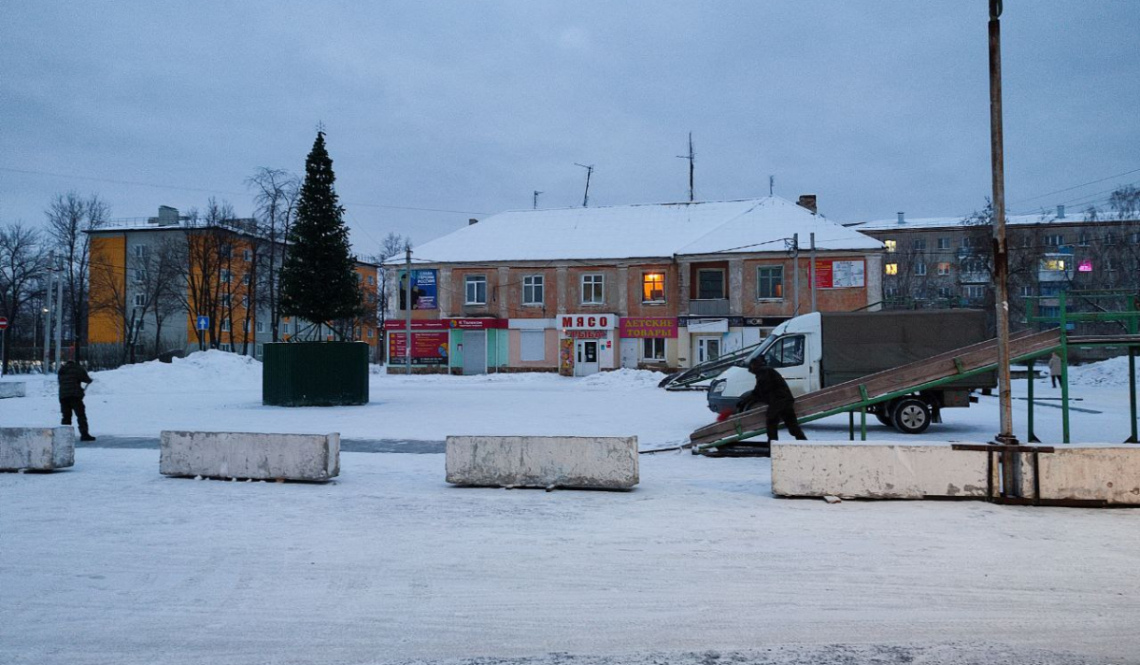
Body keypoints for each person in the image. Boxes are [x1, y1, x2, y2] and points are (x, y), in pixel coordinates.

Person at [738, 355, 807, 442]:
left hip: (778, 401)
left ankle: (773, 445)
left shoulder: (763, 372)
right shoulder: (766, 371)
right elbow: (759, 390)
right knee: (792, 425)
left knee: (771, 422)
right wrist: (745, 400)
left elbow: (760, 391)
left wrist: (745, 401)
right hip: (785, 400)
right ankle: (803, 442)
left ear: (753, 366)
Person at [58, 359, 96, 442]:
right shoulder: (78, 369)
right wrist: (89, 380)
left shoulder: (62, 370)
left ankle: (64, 436)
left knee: (66, 416)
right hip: (75, 396)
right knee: (80, 415)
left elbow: (61, 381)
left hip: (63, 396)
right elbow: (86, 379)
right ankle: (84, 434)